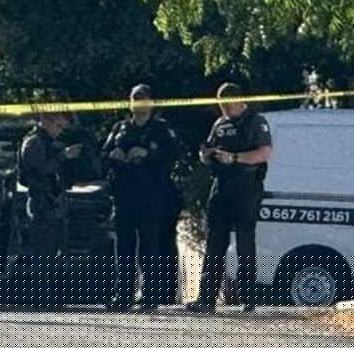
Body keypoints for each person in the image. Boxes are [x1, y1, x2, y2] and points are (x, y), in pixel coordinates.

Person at [187, 83, 273, 314]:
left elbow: (264, 153)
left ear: (239, 100)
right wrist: (206, 154)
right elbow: (210, 149)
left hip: (246, 184)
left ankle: (249, 298)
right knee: (215, 241)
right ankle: (206, 298)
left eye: (227, 104)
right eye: (221, 105)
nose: (224, 109)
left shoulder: (255, 121)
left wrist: (234, 157)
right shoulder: (220, 123)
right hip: (222, 184)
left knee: (245, 241)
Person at [102, 84, 182, 311]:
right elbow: (103, 153)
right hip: (124, 194)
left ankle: (150, 294)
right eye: (134, 98)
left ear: (151, 102)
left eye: (142, 98)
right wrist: (113, 155)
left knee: (150, 245)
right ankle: (123, 294)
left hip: (151, 194)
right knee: (124, 245)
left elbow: (175, 153)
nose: (138, 102)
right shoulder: (121, 128)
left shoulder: (160, 129)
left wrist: (148, 154)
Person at [19, 111, 81, 307]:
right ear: (46, 120)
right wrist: (63, 156)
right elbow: (40, 169)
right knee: (43, 253)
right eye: (58, 127)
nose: (59, 132)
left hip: (55, 203)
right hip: (41, 203)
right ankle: (41, 297)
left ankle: (53, 296)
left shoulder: (51, 143)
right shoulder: (34, 142)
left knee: (56, 252)